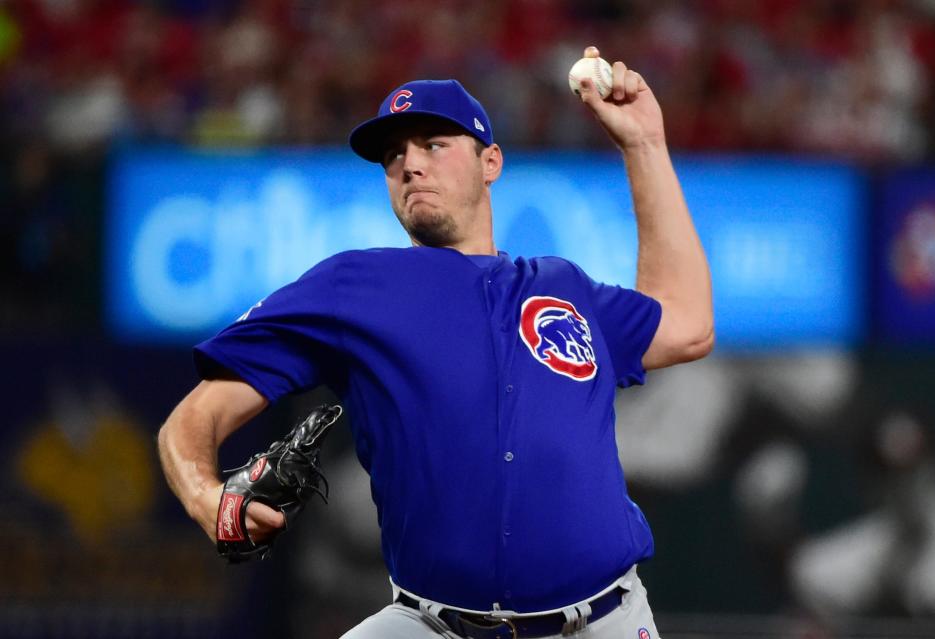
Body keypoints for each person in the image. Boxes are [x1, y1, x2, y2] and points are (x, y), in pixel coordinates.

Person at [157, 46, 713, 639]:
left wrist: (644, 145)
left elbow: (686, 324)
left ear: (490, 161)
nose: (410, 165)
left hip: (605, 621)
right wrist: (206, 497)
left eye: (433, 145)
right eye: (394, 155)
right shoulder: (356, 287)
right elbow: (191, 420)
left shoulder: (563, 286)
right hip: (431, 624)